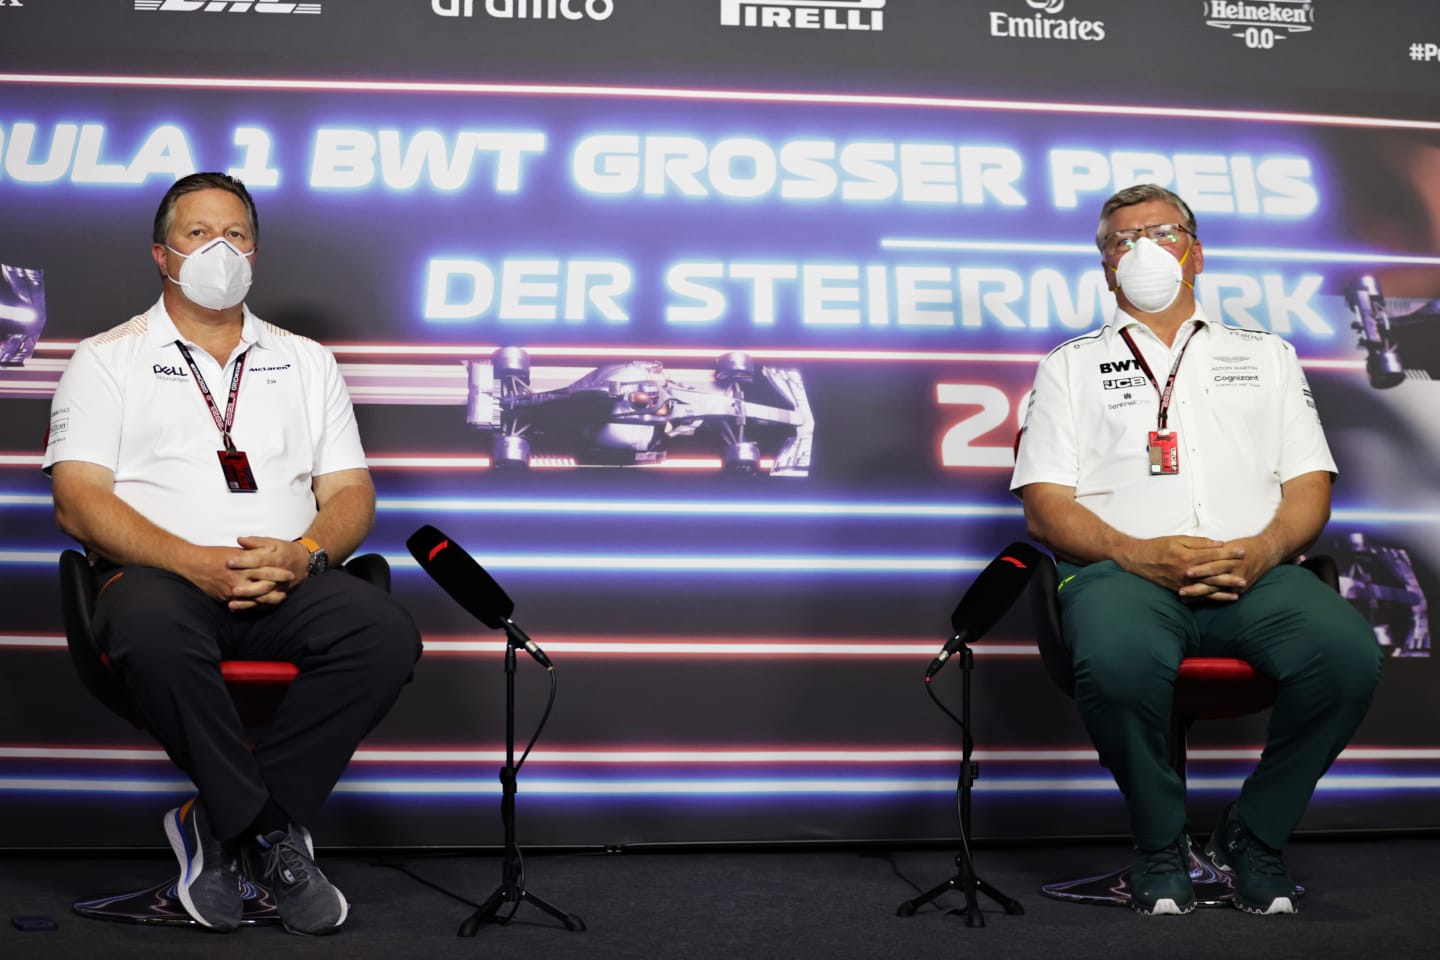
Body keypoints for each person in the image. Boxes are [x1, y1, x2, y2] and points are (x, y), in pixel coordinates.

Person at [43, 172, 423, 935]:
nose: (221, 247)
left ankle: (222, 824)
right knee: (148, 625)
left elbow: (352, 494)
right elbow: (77, 500)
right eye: (198, 233)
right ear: (161, 253)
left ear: (256, 252)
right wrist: (191, 561)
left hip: (288, 579)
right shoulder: (105, 358)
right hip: (160, 580)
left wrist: (305, 554)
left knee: (384, 632)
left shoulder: (306, 360)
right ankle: (273, 837)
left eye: (237, 234)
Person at [1010, 184, 1382, 917]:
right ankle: (1159, 848)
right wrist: (1135, 552)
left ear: (1197, 251)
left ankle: (1254, 838)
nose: (1143, 248)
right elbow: (1045, 507)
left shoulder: (1266, 354)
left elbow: (1310, 485)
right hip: (1122, 574)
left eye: (1163, 231)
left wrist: (1265, 548)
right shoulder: (1070, 365)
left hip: (1257, 571)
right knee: (1115, 660)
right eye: (1122, 239)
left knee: (1347, 655)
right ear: (1106, 267)